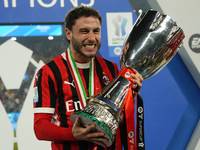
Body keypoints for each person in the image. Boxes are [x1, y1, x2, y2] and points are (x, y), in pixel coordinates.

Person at [33, 5, 143, 150]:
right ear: (69, 34)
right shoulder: (49, 72)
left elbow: (116, 117)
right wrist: (73, 134)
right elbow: (40, 128)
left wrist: (129, 96)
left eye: (96, 31)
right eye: (84, 31)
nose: (92, 38)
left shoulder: (111, 69)